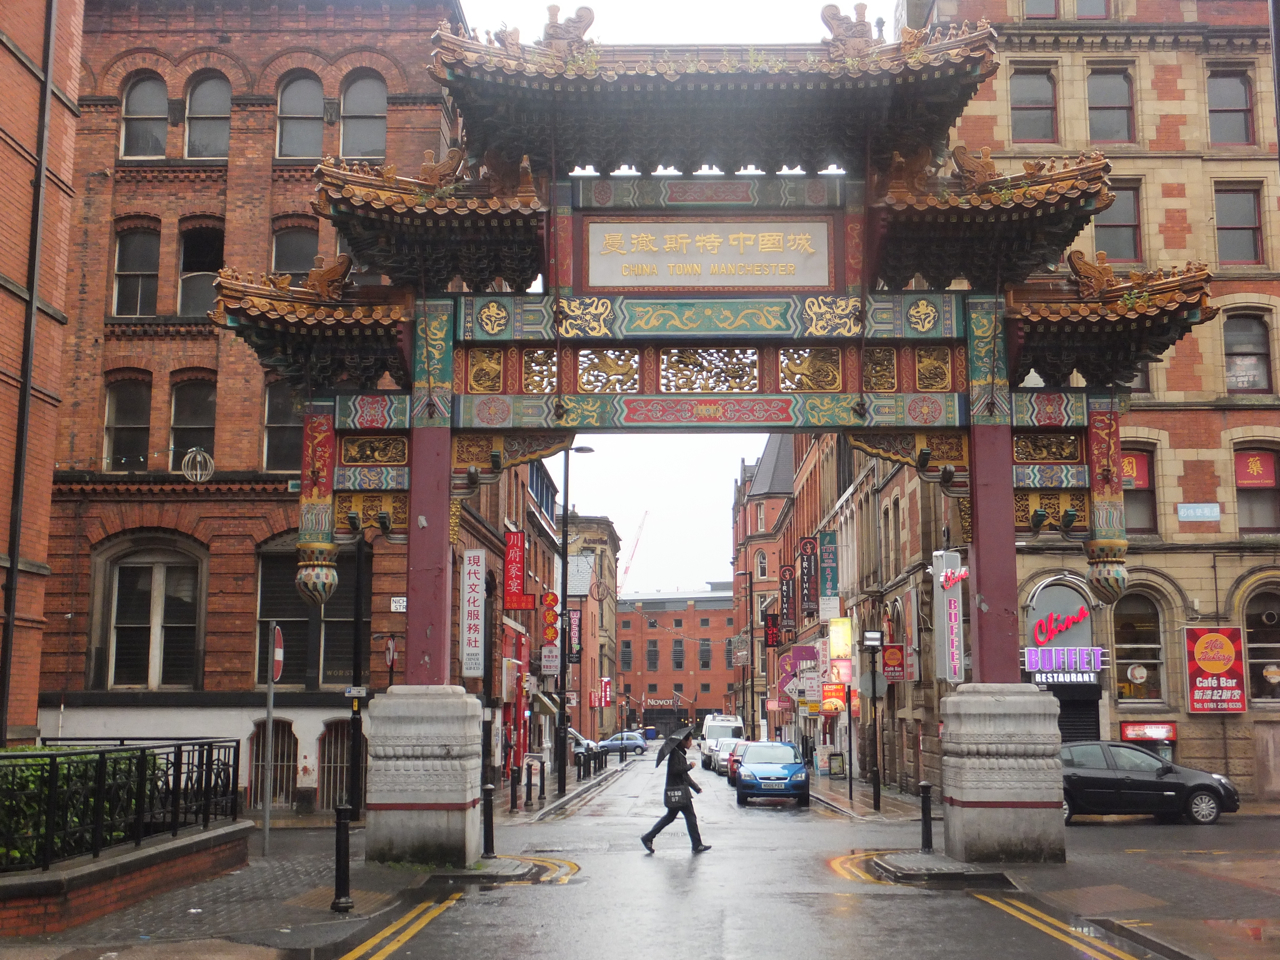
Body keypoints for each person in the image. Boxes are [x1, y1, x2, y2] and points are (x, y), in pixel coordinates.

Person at [641, 730, 710, 854]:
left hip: (679, 791)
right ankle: (697, 845)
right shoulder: (676, 754)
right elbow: (675, 770)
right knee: (690, 817)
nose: (691, 743)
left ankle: (648, 837)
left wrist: (696, 787)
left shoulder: (679, 753)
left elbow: (683, 775)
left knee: (671, 817)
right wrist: (690, 766)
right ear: (683, 741)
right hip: (679, 791)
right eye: (689, 740)